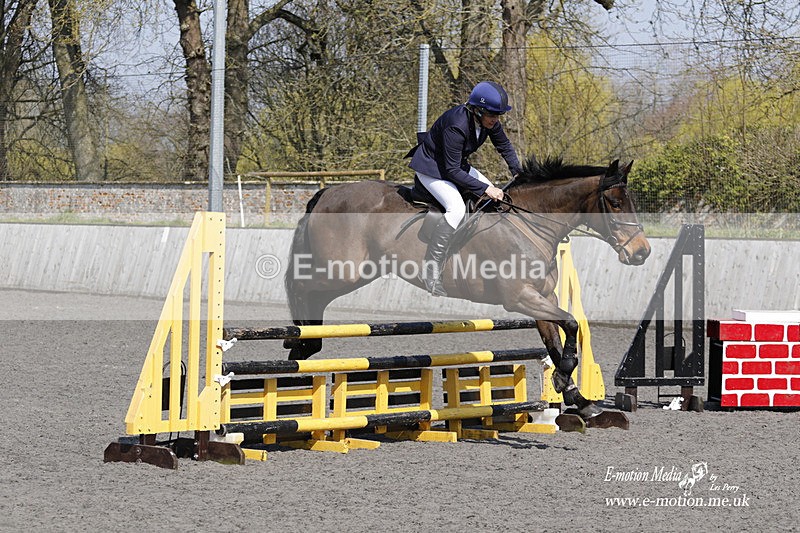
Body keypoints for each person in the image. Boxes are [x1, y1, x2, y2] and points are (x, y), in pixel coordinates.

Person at [407, 80, 523, 296]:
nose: (496, 120)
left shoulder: (489, 122)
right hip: (432, 169)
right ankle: (431, 270)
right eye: (492, 115)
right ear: (478, 111)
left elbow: (504, 146)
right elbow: (451, 171)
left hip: (454, 166)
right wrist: (486, 189)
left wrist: (519, 172)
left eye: (498, 116)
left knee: (498, 198)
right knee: (456, 209)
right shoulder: (456, 124)